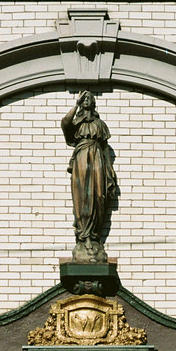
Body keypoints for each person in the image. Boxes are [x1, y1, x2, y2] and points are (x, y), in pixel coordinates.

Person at [61, 90, 117, 263]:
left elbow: (105, 150)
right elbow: (65, 123)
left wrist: (110, 175)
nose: (86, 100)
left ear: (93, 103)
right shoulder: (76, 122)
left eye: (89, 98)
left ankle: (94, 237)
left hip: (98, 160)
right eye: (83, 98)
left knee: (97, 197)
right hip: (81, 159)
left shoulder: (100, 124)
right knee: (82, 198)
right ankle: (84, 237)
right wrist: (75, 105)